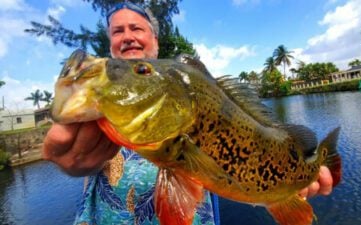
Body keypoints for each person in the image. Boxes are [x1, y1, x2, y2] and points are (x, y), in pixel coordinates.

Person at [42, 2, 334, 225]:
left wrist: (293, 180)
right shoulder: (98, 107)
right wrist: (70, 163)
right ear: (111, 45)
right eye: (118, 31)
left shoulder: (189, 87)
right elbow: (72, 158)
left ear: (155, 42)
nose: (127, 36)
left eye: (136, 28)